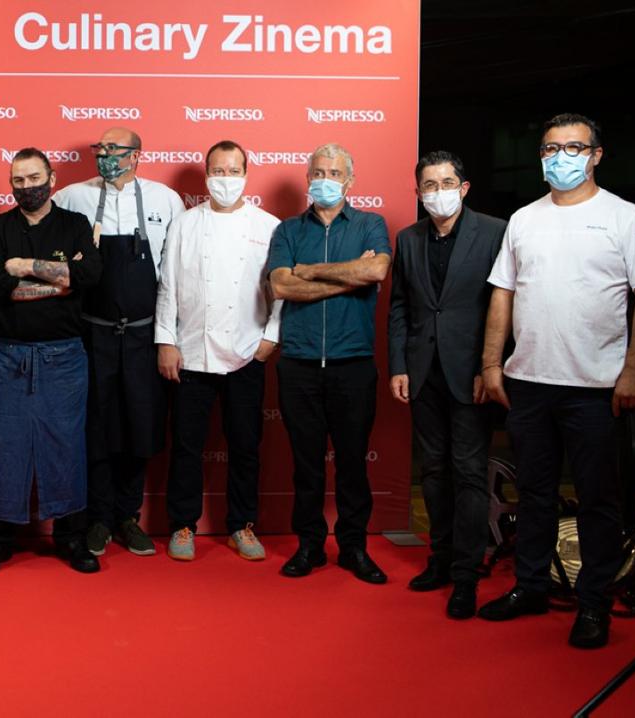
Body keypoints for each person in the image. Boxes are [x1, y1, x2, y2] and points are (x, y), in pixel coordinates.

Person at [478, 113, 635, 648]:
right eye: (551, 148)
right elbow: (502, 294)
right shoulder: (524, 219)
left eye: (574, 147)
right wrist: (493, 364)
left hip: (596, 388)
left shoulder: (627, 218)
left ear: (597, 155)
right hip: (529, 383)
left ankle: (594, 603)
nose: (561, 157)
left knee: (598, 499)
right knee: (533, 493)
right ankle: (530, 587)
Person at [0, 147, 103, 576]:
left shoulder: (74, 224)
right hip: (7, 355)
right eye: (18, 180)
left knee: (66, 445)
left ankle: (71, 537)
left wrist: (25, 267)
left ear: (52, 178)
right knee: (1, 445)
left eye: (34, 178)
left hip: (64, 356)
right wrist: (57, 282)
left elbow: (87, 277)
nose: (26, 187)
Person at [54, 126, 184, 557]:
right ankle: (98, 518)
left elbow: (173, 276)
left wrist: (167, 337)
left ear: (136, 155)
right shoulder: (73, 197)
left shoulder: (165, 200)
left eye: (114, 148)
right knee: (97, 426)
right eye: (101, 148)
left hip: (146, 335)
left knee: (141, 427)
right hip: (92, 332)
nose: (105, 154)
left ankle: (128, 517)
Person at [387, 151, 506, 618]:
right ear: (417, 193)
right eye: (429, 185)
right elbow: (400, 307)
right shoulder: (409, 238)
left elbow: (505, 305)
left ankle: (466, 574)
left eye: (446, 182)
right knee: (433, 471)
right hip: (423, 374)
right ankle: (438, 559)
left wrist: (490, 365)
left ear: (465, 186)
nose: (438, 191)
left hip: (472, 374)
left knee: (470, 473)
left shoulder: (496, 232)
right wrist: (399, 365)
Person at [267, 143, 392, 584]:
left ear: (350, 180)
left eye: (334, 172)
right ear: (307, 177)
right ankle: (310, 545)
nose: (325, 178)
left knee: (353, 461)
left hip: (353, 363)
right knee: (306, 462)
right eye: (318, 171)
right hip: (299, 362)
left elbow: (375, 272)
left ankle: (354, 547)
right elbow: (281, 286)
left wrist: (310, 271)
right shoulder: (287, 231)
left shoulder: (370, 224)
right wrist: (344, 276)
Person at [155, 140, 281, 562]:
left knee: (245, 444)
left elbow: (279, 289)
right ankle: (183, 524)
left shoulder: (268, 226)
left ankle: (242, 526)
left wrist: (270, 339)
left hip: (247, 351)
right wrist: (166, 341)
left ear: (247, 173)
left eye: (233, 170)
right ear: (207, 175)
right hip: (191, 352)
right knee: (187, 444)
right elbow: (168, 286)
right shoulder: (185, 224)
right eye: (217, 171)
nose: (224, 179)